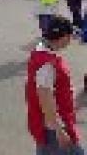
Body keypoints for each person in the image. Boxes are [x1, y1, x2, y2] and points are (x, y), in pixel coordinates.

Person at [25, 15, 84, 155]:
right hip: (52, 128)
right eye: (70, 36)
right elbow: (44, 97)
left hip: (48, 125)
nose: (71, 40)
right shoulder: (46, 64)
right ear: (63, 37)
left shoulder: (40, 51)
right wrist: (59, 130)